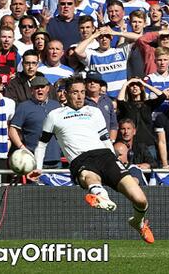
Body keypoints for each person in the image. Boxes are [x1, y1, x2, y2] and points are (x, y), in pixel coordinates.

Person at [28, 76, 155, 244]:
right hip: (81, 159)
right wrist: (38, 167)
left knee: (140, 199)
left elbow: (105, 139)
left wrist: (115, 159)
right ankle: (101, 195)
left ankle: (137, 222)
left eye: (82, 92)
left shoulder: (94, 112)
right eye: (75, 92)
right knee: (89, 176)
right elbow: (42, 144)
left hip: (105, 156)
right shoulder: (55, 115)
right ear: (66, 94)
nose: (80, 96)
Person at [9, 75, 62, 168]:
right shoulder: (24, 107)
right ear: (31, 90)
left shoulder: (56, 106)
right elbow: (12, 129)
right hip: (33, 159)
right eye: (36, 87)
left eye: (42, 87)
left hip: (55, 158)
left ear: (48, 89)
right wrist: (22, 148)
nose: (40, 90)